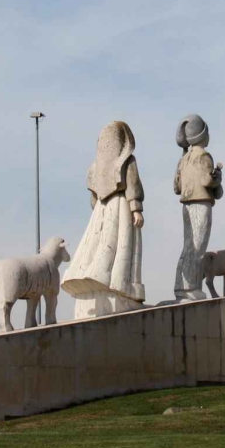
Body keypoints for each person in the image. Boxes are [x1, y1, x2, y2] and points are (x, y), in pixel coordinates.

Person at [62, 120, 145, 317]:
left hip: (102, 210)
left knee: (98, 246)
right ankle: (121, 283)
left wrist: (99, 211)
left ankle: (96, 277)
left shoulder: (95, 166)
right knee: (122, 246)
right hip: (120, 206)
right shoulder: (127, 161)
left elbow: (93, 197)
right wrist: (136, 209)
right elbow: (132, 186)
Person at [172, 114, 223, 300]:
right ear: (202, 135)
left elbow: (176, 187)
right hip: (201, 203)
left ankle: (181, 287)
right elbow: (206, 180)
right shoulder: (204, 156)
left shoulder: (183, 159)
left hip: (186, 205)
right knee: (198, 247)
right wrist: (217, 178)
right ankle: (192, 287)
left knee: (188, 246)